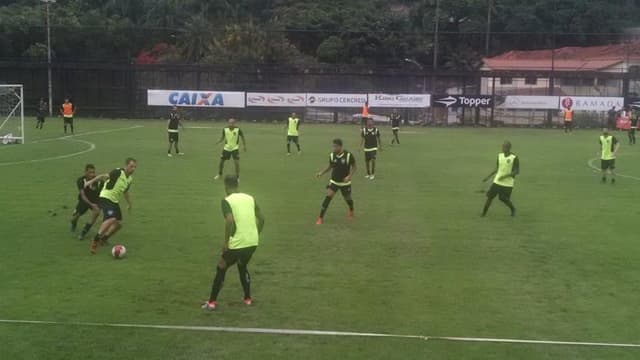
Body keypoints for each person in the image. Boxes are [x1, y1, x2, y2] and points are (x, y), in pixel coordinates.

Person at [202, 175, 265, 311]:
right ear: (237, 185)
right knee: (242, 266)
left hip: (237, 242)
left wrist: (226, 242)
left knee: (221, 266)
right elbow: (262, 218)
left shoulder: (226, 201)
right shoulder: (250, 198)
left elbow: (229, 220)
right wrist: (256, 234)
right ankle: (247, 299)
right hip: (252, 242)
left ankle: (211, 302)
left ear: (225, 186)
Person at [84, 158, 137, 255]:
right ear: (126, 166)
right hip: (105, 197)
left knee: (118, 224)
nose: (133, 169)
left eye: (134, 167)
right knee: (111, 218)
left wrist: (129, 203)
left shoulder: (129, 179)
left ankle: (103, 239)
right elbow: (103, 176)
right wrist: (90, 182)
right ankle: (95, 240)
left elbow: (125, 191)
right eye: (131, 166)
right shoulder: (118, 172)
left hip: (114, 201)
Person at [315, 139, 356, 225]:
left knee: (347, 199)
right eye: (333, 146)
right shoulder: (332, 155)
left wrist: (349, 176)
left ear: (340, 146)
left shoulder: (348, 155)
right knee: (328, 196)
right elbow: (330, 166)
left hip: (345, 183)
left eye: (335, 146)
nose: (333, 148)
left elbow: (354, 167)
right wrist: (321, 173)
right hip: (334, 181)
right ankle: (320, 218)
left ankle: (351, 210)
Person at [481, 141, 519, 217]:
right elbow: (497, 168)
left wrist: (505, 176)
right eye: (502, 146)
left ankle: (513, 209)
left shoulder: (514, 157)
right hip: (497, 181)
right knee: (490, 197)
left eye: (504, 147)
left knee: (503, 198)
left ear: (509, 148)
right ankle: (483, 214)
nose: (503, 148)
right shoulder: (499, 156)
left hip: (508, 183)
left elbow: (516, 171)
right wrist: (488, 177)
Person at [70, 164, 103, 240]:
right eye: (90, 172)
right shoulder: (81, 180)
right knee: (74, 218)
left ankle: (83, 233)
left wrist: (99, 204)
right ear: (85, 172)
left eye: (93, 172)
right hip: (84, 201)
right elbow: (82, 195)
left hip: (95, 201)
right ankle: (73, 223)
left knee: (97, 212)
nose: (92, 174)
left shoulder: (98, 181)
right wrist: (91, 204)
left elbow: (103, 192)